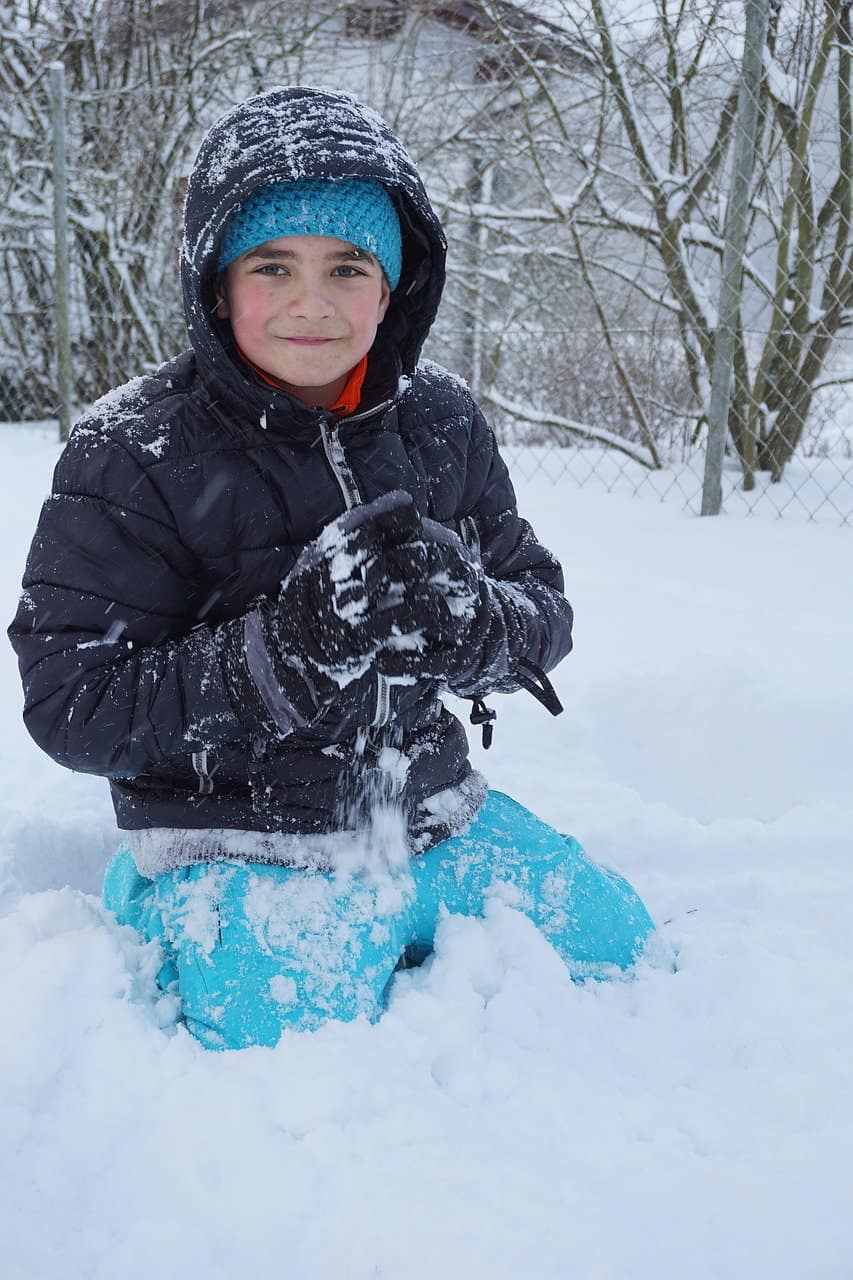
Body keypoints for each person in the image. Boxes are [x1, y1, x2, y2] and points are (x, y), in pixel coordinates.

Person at [8, 87, 656, 1050]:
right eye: (273, 265)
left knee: (624, 951)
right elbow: (74, 704)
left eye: (348, 267)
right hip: (240, 839)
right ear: (217, 284)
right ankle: (156, 905)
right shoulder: (133, 451)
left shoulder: (439, 421)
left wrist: (474, 620)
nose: (312, 303)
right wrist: (287, 649)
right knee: (285, 1048)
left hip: (433, 812)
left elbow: (539, 605)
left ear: (392, 287)